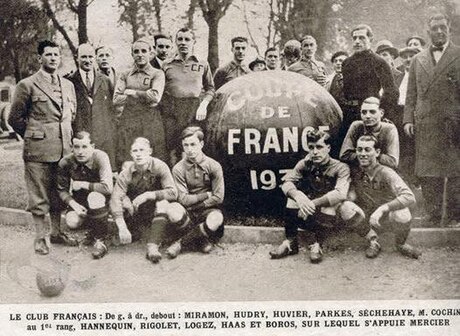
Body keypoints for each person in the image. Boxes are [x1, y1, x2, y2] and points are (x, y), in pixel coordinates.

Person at [9, 40, 78, 255]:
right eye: (48, 54)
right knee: (39, 195)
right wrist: (34, 135)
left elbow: (71, 115)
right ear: (40, 58)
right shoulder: (27, 85)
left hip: (64, 149)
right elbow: (15, 118)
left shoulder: (68, 85)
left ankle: (56, 233)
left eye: (56, 54)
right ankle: (40, 238)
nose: (53, 58)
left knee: (60, 192)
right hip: (38, 150)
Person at [270, 130, 368, 263]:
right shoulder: (305, 164)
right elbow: (286, 183)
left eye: (319, 147)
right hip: (311, 213)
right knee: (292, 198)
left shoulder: (340, 167)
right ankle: (290, 242)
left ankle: (317, 244)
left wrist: (312, 203)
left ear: (328, 148)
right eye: (311, 147)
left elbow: (340, 194)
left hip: (335, 217)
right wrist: (298, 196)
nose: (315, 152)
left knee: (330, 204)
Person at [404, 13, 460, 225]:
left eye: (442, 28)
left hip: (453, 124)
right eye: (434, 28)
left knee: (455, 171)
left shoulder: (458, 54)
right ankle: (433, 215)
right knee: (428, 171)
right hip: (426, 124)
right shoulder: (418, 59)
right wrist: (408, 119)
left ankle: (455, 216)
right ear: (428, 32)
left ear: (449, 30)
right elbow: (411, 94)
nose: (439, 32)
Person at [109, 137, 180, 264]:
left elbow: (173, 193)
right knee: (122, 201)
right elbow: (115, 197)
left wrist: (148, 195)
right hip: (135, 210)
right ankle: (130, 231)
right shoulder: (126, 173)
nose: (138, 154)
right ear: (131, 154)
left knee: (163, 203)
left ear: (150, 151)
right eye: (135, 151)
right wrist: (121, 225)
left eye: (142, 150)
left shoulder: (159, 166)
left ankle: (152, 246)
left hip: (155, 210)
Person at [350, 135, 421, 259]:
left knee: (402, 213)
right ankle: (373, 242)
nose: (362, 154)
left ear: (377, 152)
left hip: (384, 218)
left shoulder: (386, 172)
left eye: (367, 150)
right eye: (359, 149)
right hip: (366, 219)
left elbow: (409, 196)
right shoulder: (355, 173)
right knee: (347, 206)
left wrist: (383, 208)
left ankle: (400, 244)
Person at [167, 126, 225, 258]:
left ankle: (180, 244)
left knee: (217, 218)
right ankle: (201, 239)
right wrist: (206, 195)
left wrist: (197, 204)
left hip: (207, 210)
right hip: (189, 212)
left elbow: (218, 197)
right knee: (172, 209)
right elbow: (183, 199)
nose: (189, 149)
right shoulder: (178, 168)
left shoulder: (214, 166)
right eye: (185, 145)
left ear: (201, 144)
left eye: (193, 144)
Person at [162, 28, 215, 166]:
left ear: (194, 42)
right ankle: (174, 184)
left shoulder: (202, 63)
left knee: (192, 148)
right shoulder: (167, 64)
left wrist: (203, 105)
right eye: (180, 39)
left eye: (187, 39)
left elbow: (210, 88)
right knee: (173, 150)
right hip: (172, 111)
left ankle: (194, 183)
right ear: (175, 42)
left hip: (194, 111)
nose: (183, 43)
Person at [57, 131, 113, 259]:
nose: (80, 152)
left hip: (100, 197)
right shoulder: (65, 162)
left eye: (84, 146)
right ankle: (95, 222)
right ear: (72, 147)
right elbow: (61, 190)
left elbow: (107, 188)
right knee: (72, 222)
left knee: (94, 197)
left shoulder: (100, 157)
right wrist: (74, 205)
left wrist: (83, 184)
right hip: (80, 199)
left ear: (92, 146)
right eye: (76, 147)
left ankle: (100, 241)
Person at [113, 38, 167, 169]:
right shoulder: (125, 74)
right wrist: (144, 94)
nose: (140, 54)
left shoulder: (157, 73)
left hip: (150, 119)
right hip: (129, 119)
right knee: (128, 154)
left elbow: (155, 97)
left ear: (151, 53)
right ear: (132, 54)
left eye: (144, 51)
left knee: (153, 154)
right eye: (136, 51)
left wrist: (133, 93)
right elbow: (115, 99)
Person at [341, 24, 398, 144]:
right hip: (349, 114)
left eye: (361, 38)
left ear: (370, 40)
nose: (357, 42)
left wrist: (381, 113)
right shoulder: (346, 63)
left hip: (370, 114)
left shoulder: (379, 62)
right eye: (355, 38)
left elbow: (391, 91)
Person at [66, 43, 117, 169]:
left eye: (90, 57)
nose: (87, 60)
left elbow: (112, 109)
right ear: (76, 57)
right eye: (83, 57)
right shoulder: (69, 81)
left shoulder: (105, 80)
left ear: (94, 58)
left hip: (104, 136)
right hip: (81, 137)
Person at [340, 97, 399, 171]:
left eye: (372, 112)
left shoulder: (389, 129)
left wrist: (363, 156)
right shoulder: (356, 126)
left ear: (381, 113)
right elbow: (344, 155)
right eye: (364, 112)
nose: (367, 116)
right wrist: (373, 156)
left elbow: (392, 162)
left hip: (380, 171)